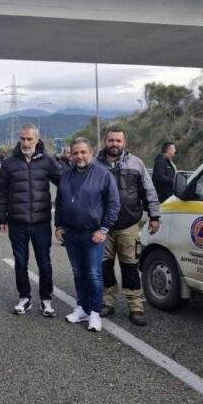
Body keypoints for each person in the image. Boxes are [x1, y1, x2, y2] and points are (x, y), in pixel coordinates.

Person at [0, 124, 61, 317]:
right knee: (21, 262)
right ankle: (24, 298)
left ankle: (46, 300)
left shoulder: (48, 161)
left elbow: (64, 183)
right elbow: (1, 192)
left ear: (37, 139)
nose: (26, 143)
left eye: (29, 139)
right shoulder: (9, 163)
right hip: (17, 222)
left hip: (41, 222)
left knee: (44, 263)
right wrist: (1, 217)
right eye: (23, 139)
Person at [97, 126, 161, 326]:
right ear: (105, 141)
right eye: (111, 140)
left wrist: (154, 216)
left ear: (124, 142)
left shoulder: (136, 163)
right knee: (104, 266)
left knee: (130, 266)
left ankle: (136, 306)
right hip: (102, 227)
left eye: (118, 140)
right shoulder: (95, 165)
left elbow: (148, 190)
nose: (114, 144)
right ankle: (107, 302)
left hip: (128, 225)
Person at [55, 138, 120, 332]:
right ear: (71, 155)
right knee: (78, 273)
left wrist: (104, 229)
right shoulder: (66, 175)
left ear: (91, 152)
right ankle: (82, 307)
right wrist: (58, 226)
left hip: (93, 235)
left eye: (83, 152)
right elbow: (59, 202)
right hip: (71, 234)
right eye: (75, 153)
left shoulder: (103, 174)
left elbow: (114, 204)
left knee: (93, 274)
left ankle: (94, 312)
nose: (79, 156)